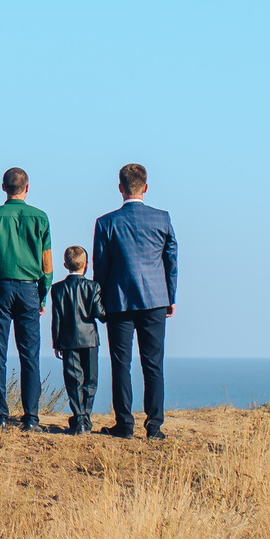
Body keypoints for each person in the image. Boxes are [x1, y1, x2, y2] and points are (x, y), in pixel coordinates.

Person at [94, 164, 179, 440]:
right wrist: (171, 296)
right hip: (155, 298)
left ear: (120, 187)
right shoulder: (162, 219)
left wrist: (101, 300)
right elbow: (171, 261)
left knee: (121, 364)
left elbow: (100, 267)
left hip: (118, 300)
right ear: (146, 186)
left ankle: (125, 424)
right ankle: (154, 427)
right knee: (153, 364)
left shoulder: (106, 222)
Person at [0, 168, 55, 432]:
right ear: (27, 187)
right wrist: (43, 294)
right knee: (30, 355)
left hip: (1, 289)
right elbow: (47, 263)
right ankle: (31, 417)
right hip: (30, 290)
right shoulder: (40, 218)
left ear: (3, 187)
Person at [49, 245, 104, 435]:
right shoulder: (93, 286)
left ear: (65, 264)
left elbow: (56, 318)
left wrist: (56, 342)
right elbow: (100, 314)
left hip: (68, 340)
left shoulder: (57, 289)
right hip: (90, 340)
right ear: (86, 265)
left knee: (74, 381)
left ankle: (79, 419)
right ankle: (85, 418)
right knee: (90, 380)